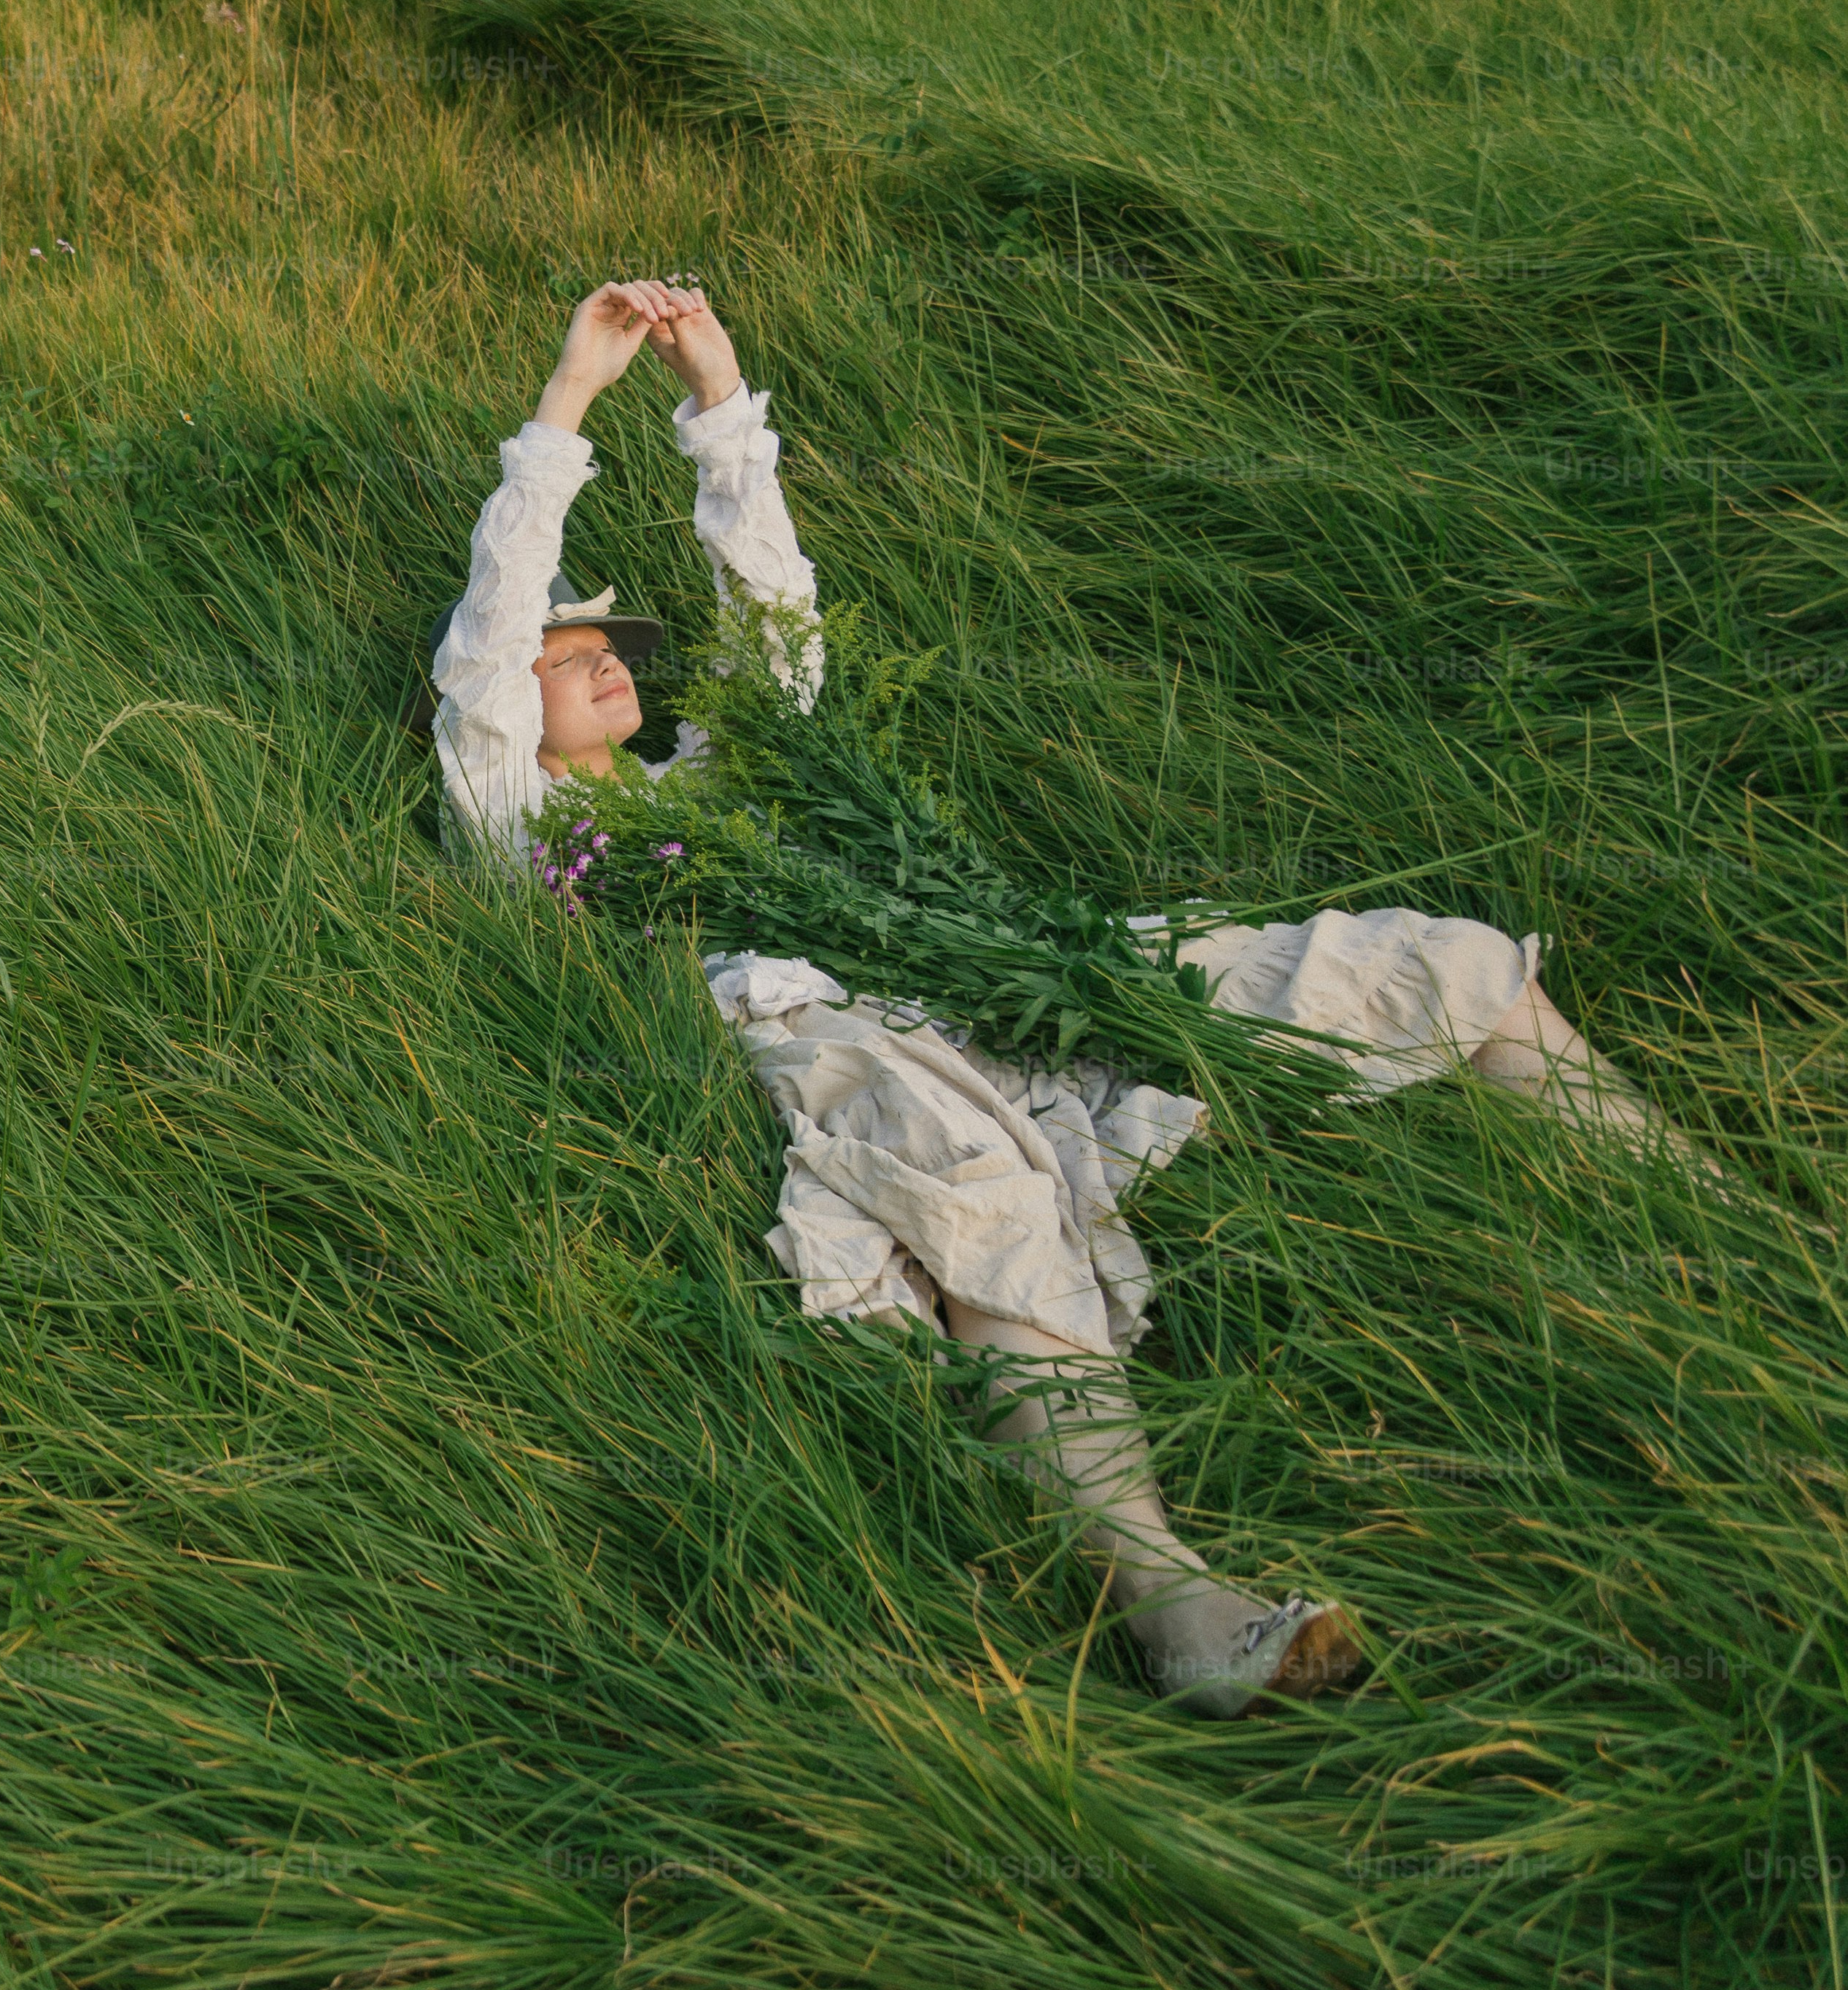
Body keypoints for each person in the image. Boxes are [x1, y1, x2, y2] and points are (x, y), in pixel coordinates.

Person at [425, 279, 1701, 1715]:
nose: (599, 658)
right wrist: (571, 399)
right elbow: (483, 650)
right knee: (994, 1207)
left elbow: (775, 618)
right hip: (845, 1043)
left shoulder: (726, 773)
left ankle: (1712, 1234)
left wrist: (720, 399)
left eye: (607, 647)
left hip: (995, 962)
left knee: (1438, 959)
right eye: (563, 648)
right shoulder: (528, 839)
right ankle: (1184, 1616)